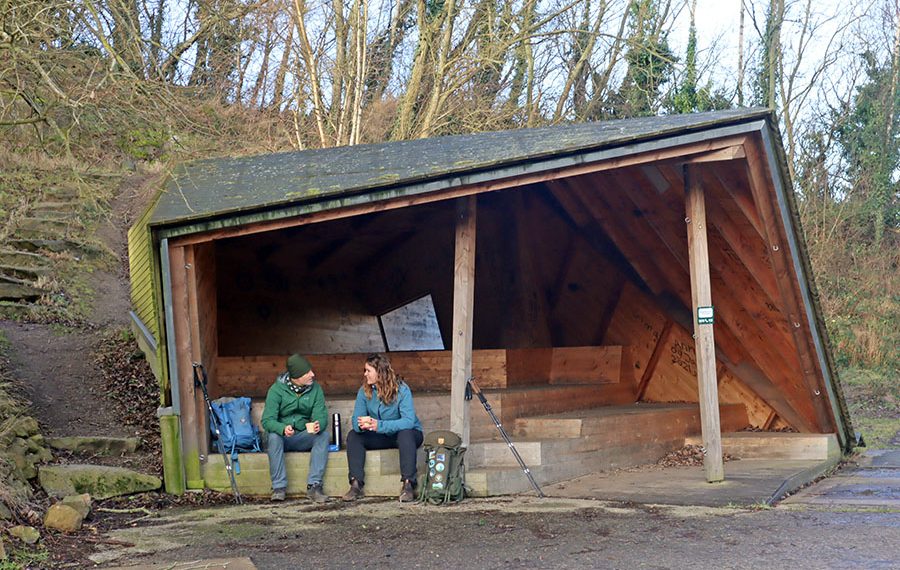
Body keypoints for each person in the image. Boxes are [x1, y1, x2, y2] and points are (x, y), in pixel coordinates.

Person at [342, 353, 424, 502]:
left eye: (368, 370)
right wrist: (362, 425)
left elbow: (408, 421)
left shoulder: (402, 390)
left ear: (379, 372)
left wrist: (379, 425)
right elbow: (356, 420)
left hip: (406, 434)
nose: (365, 374)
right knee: (354, 436)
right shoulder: (364, 391)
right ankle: (355, 484)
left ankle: (408, 485)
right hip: (379, 434)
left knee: (405, 434)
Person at [261, 354, 329, 503]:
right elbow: (267, 420)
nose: (312, 374)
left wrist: (319, 424)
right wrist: (282, 428)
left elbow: (321, 415)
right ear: (296, 377)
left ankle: (314, 486)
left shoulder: (315, 389)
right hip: (282, 437)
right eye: (307, 373)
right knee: (273, 436)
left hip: (302, 436)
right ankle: (279, 488)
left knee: (323, 436)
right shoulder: (276, 390)